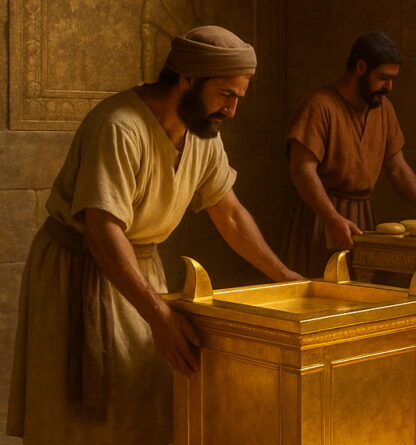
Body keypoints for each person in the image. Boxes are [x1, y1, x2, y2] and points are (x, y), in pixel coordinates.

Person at [6, 26, 301, 445]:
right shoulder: (120, 127)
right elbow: (103, 229)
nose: (232, 110)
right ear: (187, 78)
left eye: (238, 97)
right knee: (86, 415)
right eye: (225, 95)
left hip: (138, 264)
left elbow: (230, 214)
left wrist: (285, 277)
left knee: (145, 393)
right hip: (80, 268)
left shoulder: (203, 134)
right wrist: (160, 316)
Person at [281, 31, 416, 277]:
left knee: (360, 299)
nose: (389, 87)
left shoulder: (384, 109)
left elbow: (398, 168)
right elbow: (302, 170)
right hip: (319, 215)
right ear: (360, 67)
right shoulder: (319, 106)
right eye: (383, 78)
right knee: (318, 295)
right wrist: (331, 218)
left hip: (362, 215)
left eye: (393, 79)